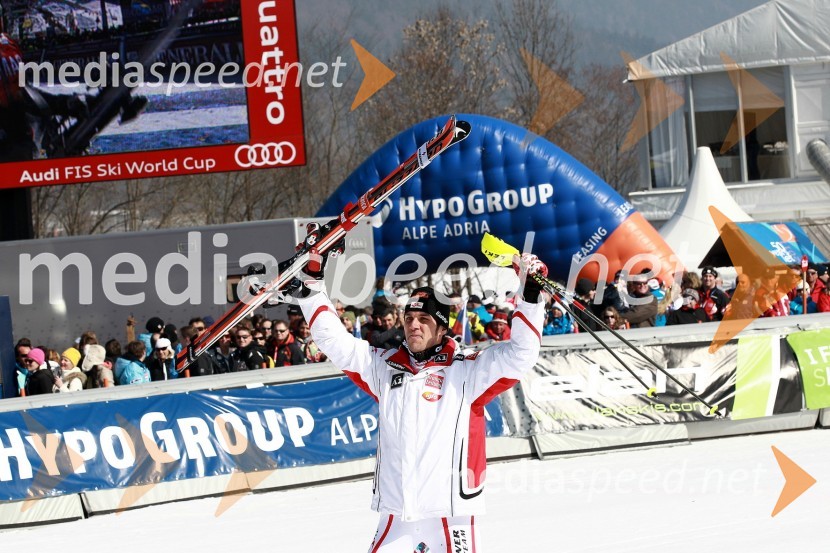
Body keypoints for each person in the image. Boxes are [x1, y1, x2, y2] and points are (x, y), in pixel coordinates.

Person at [295, 249, 546, 552]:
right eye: (410, 317)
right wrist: (311, 292)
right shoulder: (384, 366)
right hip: (396, 512)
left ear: (442, 328)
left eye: (424, 319)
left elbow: (521, 354)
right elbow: (335, 341)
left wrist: (529, 296)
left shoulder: (468, 368)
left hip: (448, 512)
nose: (414, 325)